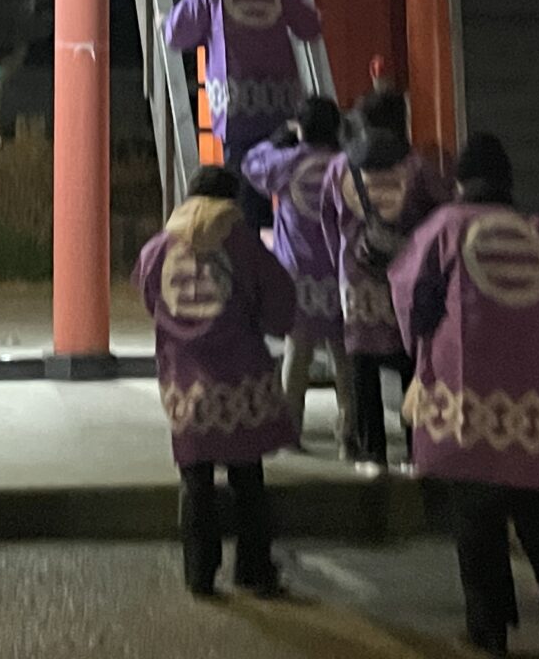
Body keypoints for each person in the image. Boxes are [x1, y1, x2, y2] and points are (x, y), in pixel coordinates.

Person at [391, 134, 539, 657]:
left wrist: (422, 356)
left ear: (461, 182)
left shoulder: (444, 229)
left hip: (469, 401)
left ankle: (488, 632)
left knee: (476, 517)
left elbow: (410, 297)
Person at [137, 163, 297, 600]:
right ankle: (253, 569)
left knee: (196, 479)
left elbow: (151, 299)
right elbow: (279, 305)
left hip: (184, 380)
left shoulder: (159, 248)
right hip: (240, 379)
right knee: (247, 478)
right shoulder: (242, 243)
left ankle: (200, 574)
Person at [323, 84, 449, 470]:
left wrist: (342, 260)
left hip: (356, 277)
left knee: (362, 363)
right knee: (411, 358)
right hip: (406, 275)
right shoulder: (417, 166)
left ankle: (372, 453)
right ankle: (416, 449)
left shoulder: (340, 167)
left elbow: (327, 222)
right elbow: (441, 214)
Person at [166, 0, 322, 201]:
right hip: (281, 103)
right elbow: (310, 28)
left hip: (233, 104)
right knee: (284, 181)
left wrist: (165, 21)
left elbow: (177, 35)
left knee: (241, 188)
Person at [241, 95, 354, 447]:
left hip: (298, 273)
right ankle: (350, 431)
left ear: (301, 127)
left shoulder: (289, 163)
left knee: (298, 352)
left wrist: (278, 140)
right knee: (344, 355)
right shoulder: (345, 164)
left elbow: (251, 163)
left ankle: (290, 431)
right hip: (342, 272)